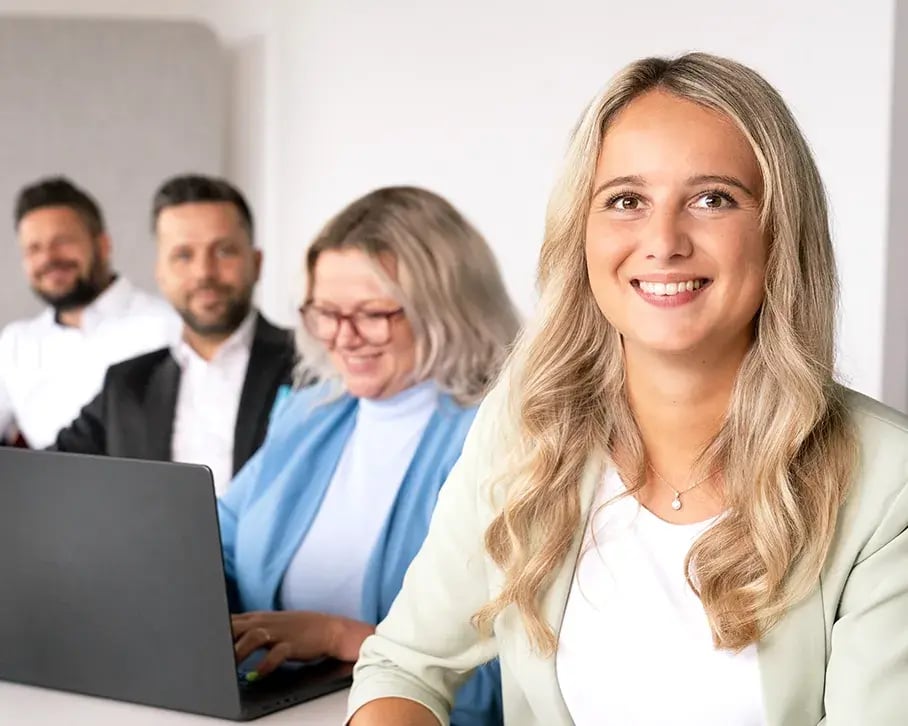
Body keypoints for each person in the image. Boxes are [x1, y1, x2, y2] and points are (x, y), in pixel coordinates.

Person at [347, 53, 908, 726]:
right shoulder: (526, 427)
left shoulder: (890, 480)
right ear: (581, 231)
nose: (663, 242)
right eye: (626, 201)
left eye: (713, 198)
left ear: (780, 230)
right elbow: (405, 668)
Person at [218, 186, 520, 725]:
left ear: (448, 309)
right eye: (326, 312)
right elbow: (220, 542)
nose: (344, 338)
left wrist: (339, 636)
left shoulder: (503, 433)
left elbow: (514, 670)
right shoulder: (309, 413)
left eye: (372, 313)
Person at [52, 175, 295, 494]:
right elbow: (41, 472)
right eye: (183, 255)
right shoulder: (127, 384)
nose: (204, 273)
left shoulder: (310, 368)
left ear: (257, 262)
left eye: (224, 251)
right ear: (160, 272)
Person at [0, 177, 177, 448]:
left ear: (103, 245)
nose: (48, 258)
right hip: (43, 475)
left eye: (62, 241)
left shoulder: (168, 326)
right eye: (33, 248)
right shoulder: (15, 343)